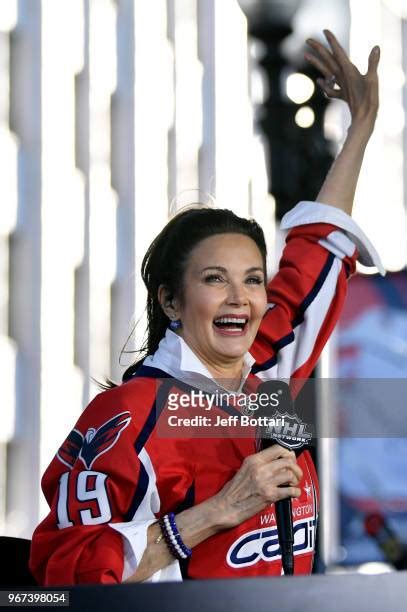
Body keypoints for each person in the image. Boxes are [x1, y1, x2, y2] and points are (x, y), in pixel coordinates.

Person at [30, 30, 383, 584]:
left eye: (251, 280)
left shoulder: (270, 374)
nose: (239, 297)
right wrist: (219, 510)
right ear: (171, 299)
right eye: (214, 280)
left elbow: (314, 254)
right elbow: (62, 579)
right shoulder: (126, 417)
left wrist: (360, 128)